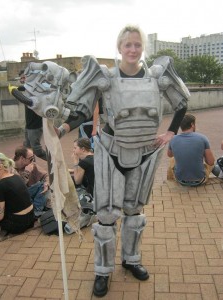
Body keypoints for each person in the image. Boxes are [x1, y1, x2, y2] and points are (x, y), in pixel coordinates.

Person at [55, 25, 190, 297]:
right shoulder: (105, 78)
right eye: (127, 45)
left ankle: (131, 259)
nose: (132, 49)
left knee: (134, 211)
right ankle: (102, 271)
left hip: (143, 153)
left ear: (142, 48)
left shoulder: (158, 77)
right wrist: (59, 131)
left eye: (137, 45)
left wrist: (171, 132)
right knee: (105, 215)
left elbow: (182, 103)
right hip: (111, 151)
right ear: (119, 48)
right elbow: (80, 112)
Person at [167, 114, 215, 186]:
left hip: (180, 180)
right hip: (200, 180)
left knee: (172, 160)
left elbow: (169, 155)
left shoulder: (173, 139)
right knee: (211, 159)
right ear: (192, 124)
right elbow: (211, 162)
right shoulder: (203, 138)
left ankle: (170, 180)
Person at [0, 152, 35, 235]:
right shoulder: (15, 176)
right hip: (31, 217)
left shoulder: (1, 185)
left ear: (0, 167)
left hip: (18, 224)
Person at [13, 146, 50, 217]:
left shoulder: (32, 165)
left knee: (44, 185)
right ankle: (37, 210)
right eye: (31, 159)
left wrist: (46, 183)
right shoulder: (11, 168)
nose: (32, 161)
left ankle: (36, 209)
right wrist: (27, 172)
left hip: (30, 197)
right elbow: (18, 187)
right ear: (22, 158)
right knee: (40, 185)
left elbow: (46, 175)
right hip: (18, 198)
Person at [19, 70, 47, 161]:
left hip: (35, 125)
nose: (22, 80)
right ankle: (31, 168)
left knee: (37, 150)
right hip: (28, 125)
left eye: (24, 77)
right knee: (26, 148)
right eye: (21, 78)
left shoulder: (37, 88)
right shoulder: (28, 89)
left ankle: (56, 163)